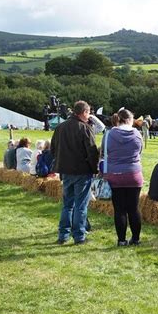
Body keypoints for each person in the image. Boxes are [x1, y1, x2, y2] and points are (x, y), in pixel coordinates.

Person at [51, 100, 99, 245]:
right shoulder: (84, 128)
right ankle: (79, 235)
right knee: (80, 205)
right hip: (82, 171)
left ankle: (63, 235)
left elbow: (53, 149)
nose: (89, 115)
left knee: (67, 205)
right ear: (84, 112)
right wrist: (94, 168)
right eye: (89, 112)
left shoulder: (60, 127)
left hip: (65, 171)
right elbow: (92, 152)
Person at [101, 109, 143, 246]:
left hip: (115, 175)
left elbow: (103, 153)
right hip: (133, 174)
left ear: (118, 119)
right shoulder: (137, 134)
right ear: (130, 119)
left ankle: (121, 240)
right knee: (134, 208)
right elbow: (140, 152)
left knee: (119, 210)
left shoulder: (108, 135)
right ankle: (136, 239)